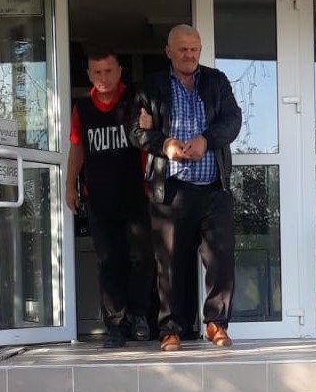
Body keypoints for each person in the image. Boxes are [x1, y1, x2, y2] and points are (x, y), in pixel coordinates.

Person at [129, 24, 242, 352]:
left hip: (214, 187)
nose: (189, 55)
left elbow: (232, 121)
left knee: (221, 259)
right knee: (170, 263)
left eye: (194, 49)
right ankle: (170, 329)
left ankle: (216, 323)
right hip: (171, 189)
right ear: (169, 52)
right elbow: (135, 131)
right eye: (183, 49)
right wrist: (163, 144)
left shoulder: (217, 82)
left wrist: (207, 140)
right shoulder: (150, 87)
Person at [67, 48, 156, 349]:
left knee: (142, 257)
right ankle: (115, 325)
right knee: (108, 261)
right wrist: (69, 186)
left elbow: (153, 137)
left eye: (108, 71)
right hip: (99, 197)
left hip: (137, 194)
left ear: (119, 71)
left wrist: (150, 127)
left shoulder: (136, 100)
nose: (103, 78)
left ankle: (138, 313)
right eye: (97, 72)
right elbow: (77, 147)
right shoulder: (82, 107)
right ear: (89, 75)